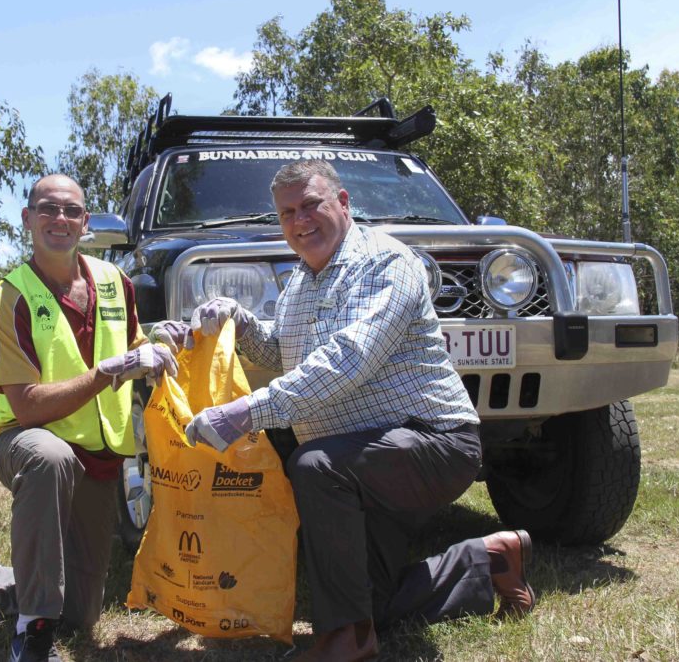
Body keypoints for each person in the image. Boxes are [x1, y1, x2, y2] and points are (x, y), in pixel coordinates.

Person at [153, 159, 535, 661]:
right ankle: (490, 560)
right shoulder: (300, 280)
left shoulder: (387, 263)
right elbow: (283, 353)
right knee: (373, 600)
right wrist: (238, 322)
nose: (299, 220)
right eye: (287, 212)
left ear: (344, 202)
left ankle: (346, 641)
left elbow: (347, 361)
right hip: (362, 460)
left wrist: (245, 413)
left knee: (314, 466)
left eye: (311, 204)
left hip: (431, 443)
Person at [0, 174, 178, 662]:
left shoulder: (115, 281)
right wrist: (107, 372)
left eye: (71, 211)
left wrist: (168, 342)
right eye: (48, 209)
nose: (59, 219)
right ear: (28, 219)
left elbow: (134, 346)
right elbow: (28, 406)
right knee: (50, 456)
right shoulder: (9, 297)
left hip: (99, 453)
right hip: (29, 440)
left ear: (86, 222)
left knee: (79, 614)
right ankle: (31, 634)